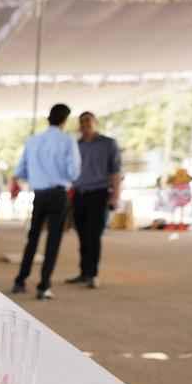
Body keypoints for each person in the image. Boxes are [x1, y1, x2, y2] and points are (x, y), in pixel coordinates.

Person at [11, 104, 81, 300]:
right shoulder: (68, 140)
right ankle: (43, 286)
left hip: (39, 194)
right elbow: (73, 172)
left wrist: (38, 175)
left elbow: (20, 171)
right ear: (64, 120)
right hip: (58, 194)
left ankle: (20, 280)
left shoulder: (33, 140)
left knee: (33, 238)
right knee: (53, 240)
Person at [67, 112, 121, 289]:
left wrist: (115, 196)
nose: (85, 125)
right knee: (82, 234)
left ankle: (93, 274)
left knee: (94, 235)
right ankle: (83, 272)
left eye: (88, 122)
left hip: (99, 194)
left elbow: (115, 171)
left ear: (95, 123)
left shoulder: (108, 144)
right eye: (82, 122)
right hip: (79, 194)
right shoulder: (76, 145)